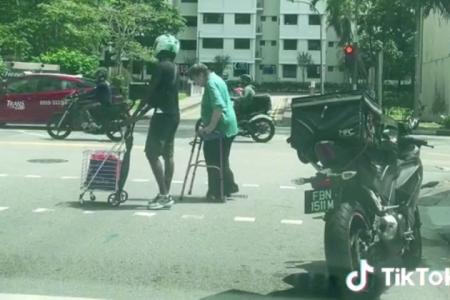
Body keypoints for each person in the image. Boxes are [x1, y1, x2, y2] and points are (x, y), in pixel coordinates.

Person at [188, 64, 239, 201]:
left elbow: (218, 107)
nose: (196, 84)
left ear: (200, 75)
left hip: (220, 126)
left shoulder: (210, 84)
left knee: (212, 159)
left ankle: (216, 191)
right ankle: (228, 186)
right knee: (222, 158)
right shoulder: (216, 78)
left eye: (195, 80)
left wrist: (209, 128)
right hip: (229, 124)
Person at [143, 34, 181, 210]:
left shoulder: (160, 67)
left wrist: (135, 113)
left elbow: (151, 93)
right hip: (173, 115)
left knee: (151, 154)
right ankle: (165, 193)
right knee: (168, 154)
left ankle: (164, 195)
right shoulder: (174, 67)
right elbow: (162, 94)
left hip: (162, 116)